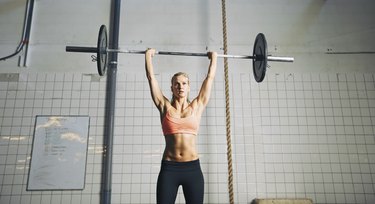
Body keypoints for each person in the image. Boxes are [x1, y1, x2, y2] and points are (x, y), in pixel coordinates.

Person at [145, 48, 217, 204]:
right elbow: (151, 78)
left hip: (193, 169)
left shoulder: (197, 106)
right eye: (176, 84)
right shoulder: (164, 107)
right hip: (169, 169)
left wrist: (214, 58)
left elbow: (210, 78)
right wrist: (148, 56)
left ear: (189, 87)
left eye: (184, 83)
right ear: (171, 88)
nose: (180, 86)